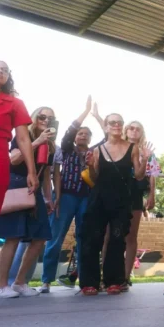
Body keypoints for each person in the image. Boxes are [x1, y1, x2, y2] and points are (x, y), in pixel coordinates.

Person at [79, 113, 148, 296]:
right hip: (99, 198)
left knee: (118, 240)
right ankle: (89, 282)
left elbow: (139, 176)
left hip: (121, 199)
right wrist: (92, 166)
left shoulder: (132, 148)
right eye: (112, 122)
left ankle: (114, 281)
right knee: (93, 239)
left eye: (119, 122)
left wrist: (145, 159)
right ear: (106, 127)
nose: (116, 125)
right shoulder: (97, 149)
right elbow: (93, 178)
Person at [0, 105, 56, 299]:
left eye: (50, 118)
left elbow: (46, 173)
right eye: (42, 116)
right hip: (17, 186)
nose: (46, 120)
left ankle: (20, 282)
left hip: (36, 191)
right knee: (12, 236)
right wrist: (37, 142)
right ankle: (2, 285)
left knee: (40, 237)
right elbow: (14, 160)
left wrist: (48, 197)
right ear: (35, 117)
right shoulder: (22, 137)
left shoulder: (52, 145)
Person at [39, 97, 96, 293]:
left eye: (87, 134)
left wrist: (98, 116)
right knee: (55, 238)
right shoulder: (66, 149)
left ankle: (83, 280)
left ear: (90, 139)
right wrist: (86, 112)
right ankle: (46, 281)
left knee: (83, 239)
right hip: (65, 197)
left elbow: (108, 138)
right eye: (80, 133)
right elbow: (70, 131)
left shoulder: (94, 152)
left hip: (86, 199)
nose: (82, 136)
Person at [0, 60, 35, 244]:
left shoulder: (15, 103)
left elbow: (24, 139)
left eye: (4, 70)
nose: (0, 71)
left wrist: (32, 172)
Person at [123, 120, 158, 288]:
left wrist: (152, 195)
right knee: (110, 235)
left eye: (138, 129)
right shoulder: (117, 146)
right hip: (115, 193)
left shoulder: (147, 151)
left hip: (135, 194)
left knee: (131, 235)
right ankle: (108, 273)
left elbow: (152, 174)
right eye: (131, 128)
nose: (134, 131)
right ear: (125, 130)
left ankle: (126, 274)